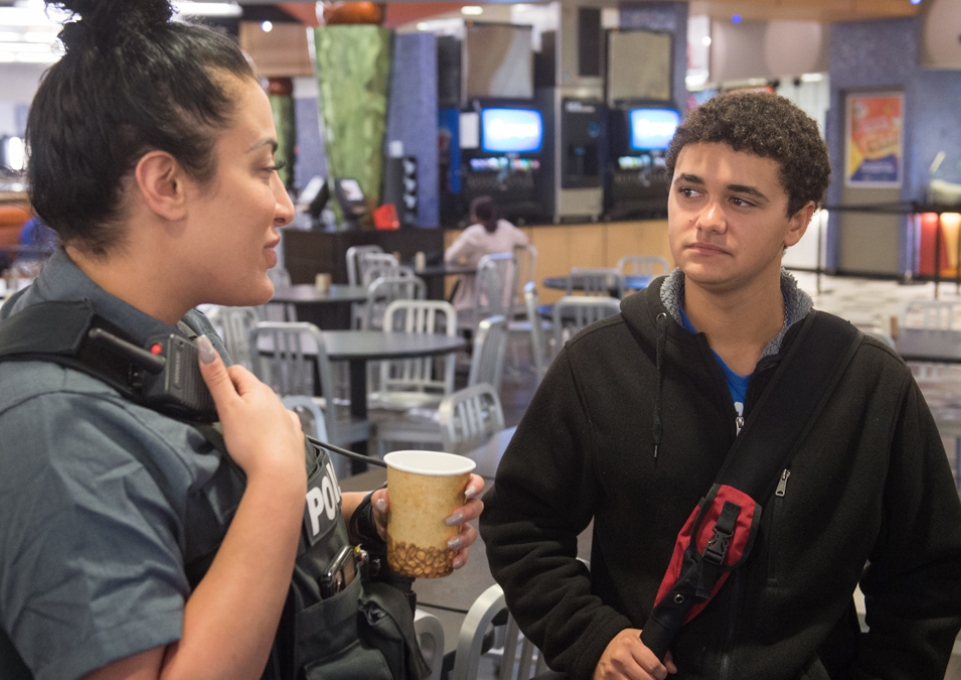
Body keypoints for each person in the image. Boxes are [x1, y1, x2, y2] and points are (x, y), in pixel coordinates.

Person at [0, 2, 483, 679]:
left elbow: (212, 536)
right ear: (166, 183)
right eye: (262, 168)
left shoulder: (166, 332)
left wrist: (364, 518)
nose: (284, 204)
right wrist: (279, 481)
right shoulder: (54, 427)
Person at [480, 92, 961, 680]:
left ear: (797, 221)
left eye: (741, 199)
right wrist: (590, 635)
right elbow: (520, 524)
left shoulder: (868, 383)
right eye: (690, 191)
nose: (708, 218)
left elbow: (927, 573)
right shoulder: (599, 362)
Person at [444, 195, 529, 312]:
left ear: (474, 215)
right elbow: (524, 240)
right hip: (505, 298)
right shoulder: (506, 228)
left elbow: (450, 256)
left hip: (477, 299)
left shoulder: (474, 234)